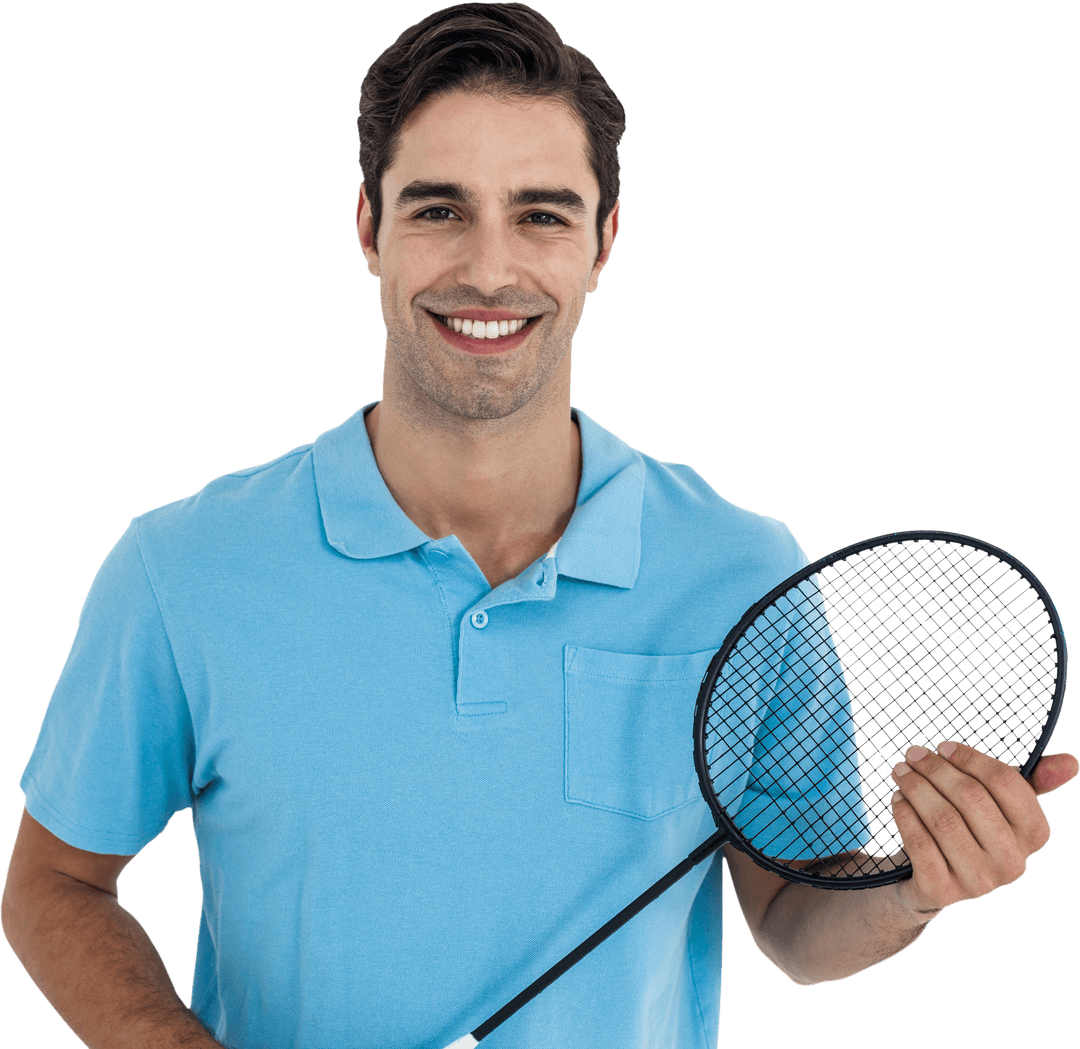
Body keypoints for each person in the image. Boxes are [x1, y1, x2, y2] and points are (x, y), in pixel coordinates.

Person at [2, 4, 1076, 1048]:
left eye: (542, 214)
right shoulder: (182, 567)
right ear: (369, 228)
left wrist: (918, 887)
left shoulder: (743, 568)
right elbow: (52, 884)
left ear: (604, 242)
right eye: (439, 210)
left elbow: (798, 923)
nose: (488, 269)